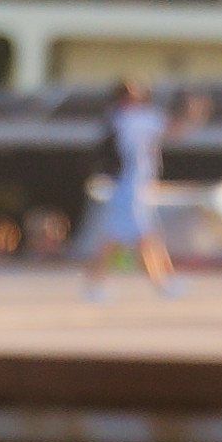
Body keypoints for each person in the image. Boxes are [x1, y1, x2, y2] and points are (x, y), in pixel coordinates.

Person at [84, 75, 176, 292]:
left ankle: (163, 283)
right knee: (137, 236)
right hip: (129, 185)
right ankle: (162, 284)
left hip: (133, 184)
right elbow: (171, 129)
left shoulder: (118, 118)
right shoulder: (129, 120)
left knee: (137, 235)